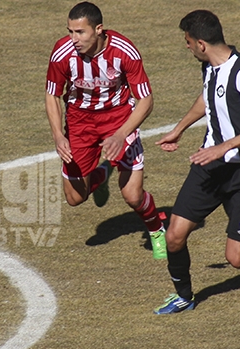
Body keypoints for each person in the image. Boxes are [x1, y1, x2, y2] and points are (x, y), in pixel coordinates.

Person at [153, 10, 240, 314]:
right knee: (174, 235)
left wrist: (222, 148)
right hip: (210, 167)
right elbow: (207, 98)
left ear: (201, 43)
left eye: (187, 42)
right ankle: (184, 296)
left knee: (237, 258)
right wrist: (179, 128)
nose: (186, 47)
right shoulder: (209, 67)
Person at [45, 2, 167, 260]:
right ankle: (100, 174)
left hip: (119, 119)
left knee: (133, 196)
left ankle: (156, 228)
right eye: (70, 31)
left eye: (80, 32)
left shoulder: (125, 52)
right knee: (74, 199)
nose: (73, 39)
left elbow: (146, 100)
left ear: (98, 29)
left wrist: (121, 133)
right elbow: (52, 94)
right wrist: (58, 135)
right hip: (80, 122)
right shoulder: (62, 53)